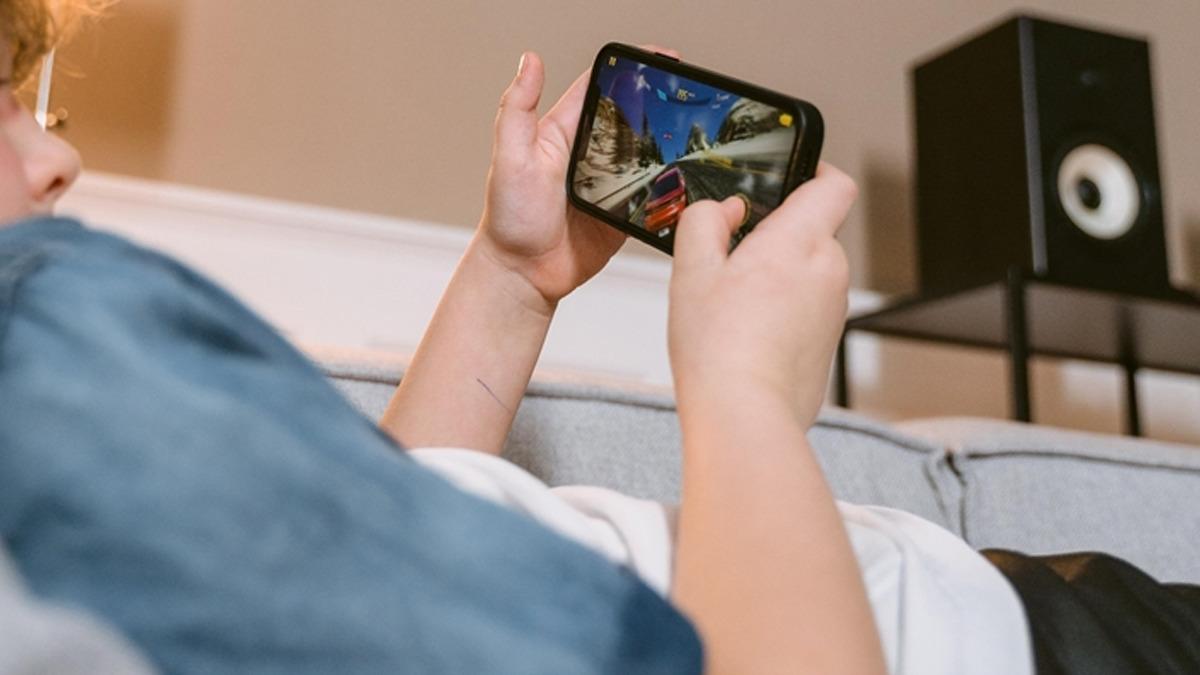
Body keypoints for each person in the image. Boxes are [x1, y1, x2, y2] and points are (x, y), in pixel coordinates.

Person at [2, 3, 1198, 675]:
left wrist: (515, 275)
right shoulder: (49, 324)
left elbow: (387, 563)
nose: (56, 152)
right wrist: (744, 396)